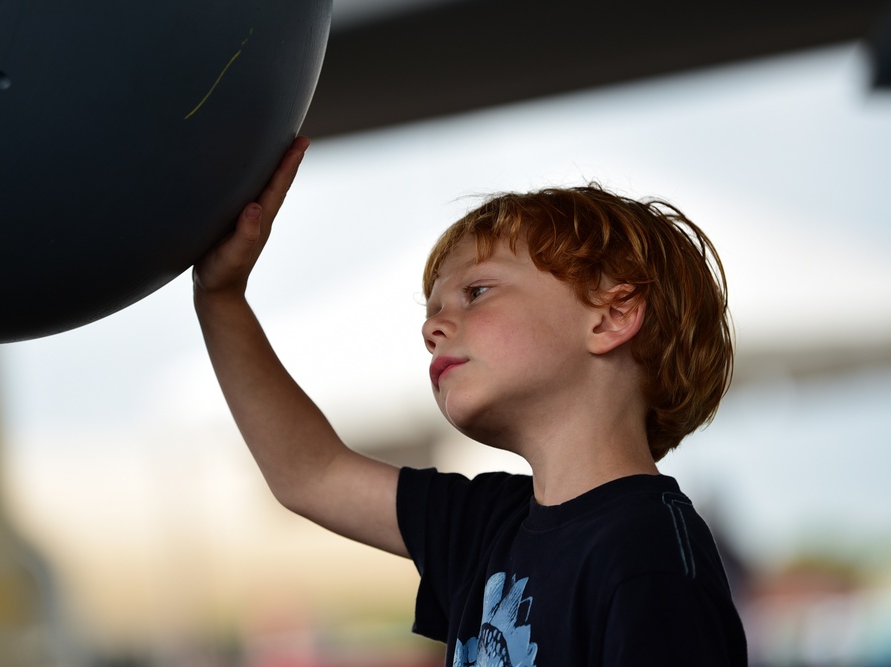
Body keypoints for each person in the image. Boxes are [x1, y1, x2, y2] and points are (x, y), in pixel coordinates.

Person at [193, 136, 748, 665]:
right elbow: (310, 473)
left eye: (476, 292)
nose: (432, 327)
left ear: (612, 316)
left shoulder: (651, 560)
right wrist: (220, 297)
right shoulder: (488, 523)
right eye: (432, 309)